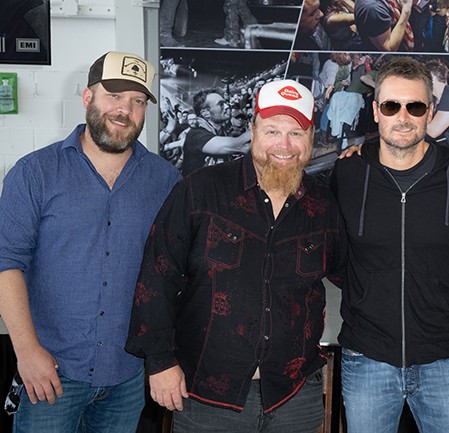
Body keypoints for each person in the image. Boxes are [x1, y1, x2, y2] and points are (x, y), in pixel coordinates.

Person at [124, 79, 346, 433]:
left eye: (296, 133)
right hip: (208, 396)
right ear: (252, 130)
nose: (284, 145)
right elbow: (157, 275)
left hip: (294, 394)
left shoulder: (324, 203)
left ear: (311, 137)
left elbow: (355, 273)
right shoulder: (200, 190)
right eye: (272, 130)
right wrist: (160, 361)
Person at [0, 51, 180, 433]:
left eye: (138, 101)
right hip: (49, 374)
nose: (125, 110)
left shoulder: (166, 182)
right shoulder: (35, 173)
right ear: (87, 98)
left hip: (127, 375)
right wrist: (27, 351)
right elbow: (6, 262)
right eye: (113, 96)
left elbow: (174, 274)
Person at [330, 56, 449, 433]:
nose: (402, 117)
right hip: (367, 357)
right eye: (391, 105)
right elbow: (332, 248)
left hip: (444, 359)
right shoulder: (349, 172)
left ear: (431, 111)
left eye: (415, 106)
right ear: (375, 111)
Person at [181, 88, 251, 176]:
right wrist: (261, 127)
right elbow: (237, 145)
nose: (227, 106)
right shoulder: (195, 135)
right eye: (221, 104)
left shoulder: (221, 131)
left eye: (225, 102)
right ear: (206, 113)